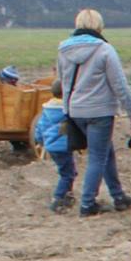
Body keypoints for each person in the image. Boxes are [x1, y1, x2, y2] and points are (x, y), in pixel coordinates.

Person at [56, 8, 131, 216]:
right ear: (99, 26)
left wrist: (67, 110)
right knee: (98, 157)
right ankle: (87, 203)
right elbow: (119, 85)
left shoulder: (63, 50)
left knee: (105, 151)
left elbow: (63, 82)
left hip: (75, 110)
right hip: (100, 111)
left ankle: (118, 196)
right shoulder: (105, 50)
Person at [33, 81, 77, 212]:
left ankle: (67, 195)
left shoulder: (47, 110)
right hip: (64, 146)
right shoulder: (67, 110)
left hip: (51, 146)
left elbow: (39, 128)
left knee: (68, 171)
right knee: (67, 174)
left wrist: (41, 141)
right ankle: (58, 199)